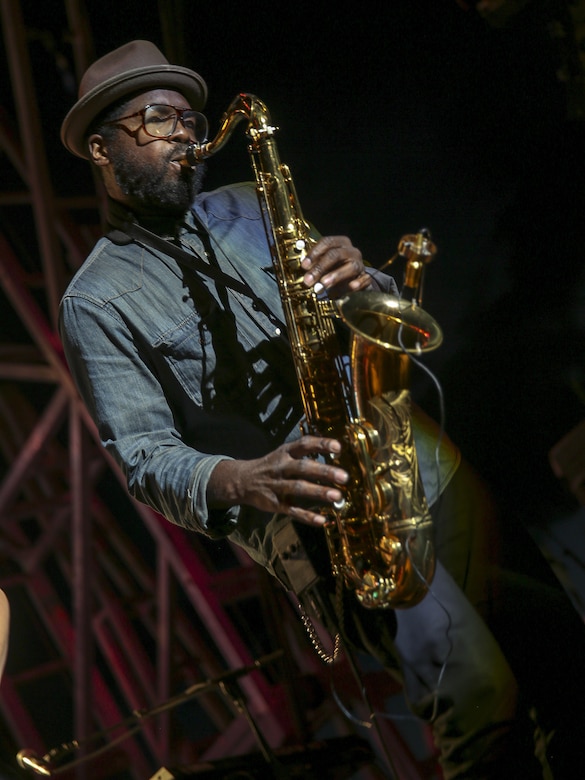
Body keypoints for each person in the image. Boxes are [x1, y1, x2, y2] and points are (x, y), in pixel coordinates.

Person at [58, 40, 585, 779]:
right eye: (152, 119)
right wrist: (241, 479)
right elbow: (142, 457)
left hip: (405, 451)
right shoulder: (94, 300)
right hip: (322, 516)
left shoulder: (246, 201)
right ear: (101, 147)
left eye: (186, 115)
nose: (182, 132)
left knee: (559, 654)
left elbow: (365, 315)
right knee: (474, 697)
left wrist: (357, 278)